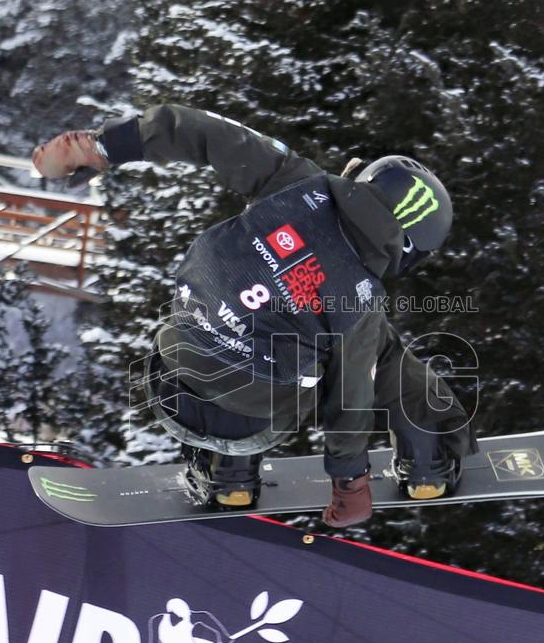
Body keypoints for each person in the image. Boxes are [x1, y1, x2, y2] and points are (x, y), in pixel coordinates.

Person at [32, 104, 476, 527]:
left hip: (169, 384)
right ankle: (428, 464)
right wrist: (350, 486)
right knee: (378, 354)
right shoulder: (360, 304)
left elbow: (206, 131)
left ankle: (230, 478)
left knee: (248, 330)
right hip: (255, 423)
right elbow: (350, 403)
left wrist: (103, 146)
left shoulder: (294, 181)